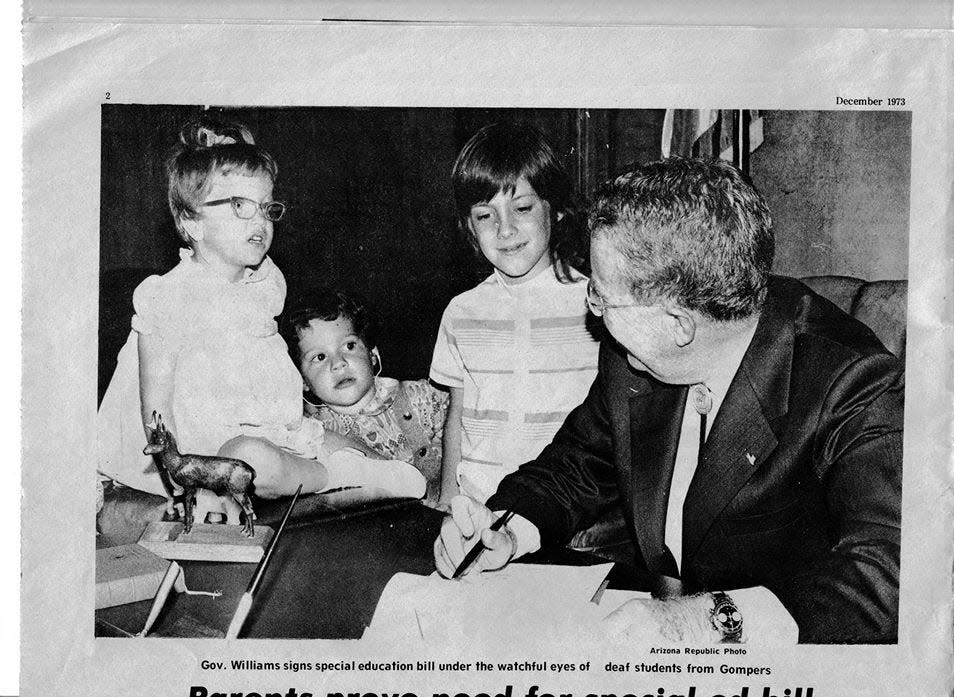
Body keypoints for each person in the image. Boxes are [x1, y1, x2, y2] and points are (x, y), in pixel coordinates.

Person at [434, 157, 903, 644]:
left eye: (601, 298)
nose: (592, 308)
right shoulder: (637, 356)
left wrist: (703, 623)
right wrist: (505, 530)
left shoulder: (856, 384)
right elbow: (575, 464)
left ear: (678, 324)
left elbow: (888, 578)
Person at [97, 117, 424, 523]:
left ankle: (371, 471)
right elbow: (157, 418)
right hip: (205, 455)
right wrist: (188, 489)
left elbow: (278, 408)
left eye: (266, 208)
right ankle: (336, 477)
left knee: (343, 442)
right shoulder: (168, 298)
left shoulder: (264, 285)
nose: (260, 222)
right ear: (191, 222)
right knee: (250, 458)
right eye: (239, 206)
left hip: (263, 433)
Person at [430, 122, 601, 511]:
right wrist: (446, 502)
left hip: (561, 513)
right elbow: (457, 416)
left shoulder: (593, 303)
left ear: (554, 209)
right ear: (469, 227)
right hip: (478, 506)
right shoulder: (461, 312)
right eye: (485, 216)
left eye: (522, 208)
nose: (506, 230)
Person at [286, 287, 448, 506]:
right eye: (320, 357)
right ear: (302, 381)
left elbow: (464, 432)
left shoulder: (419, 397)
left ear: (373, 355)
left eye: (349, 346)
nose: (339, 363)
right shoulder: (314, 433)